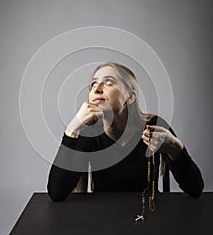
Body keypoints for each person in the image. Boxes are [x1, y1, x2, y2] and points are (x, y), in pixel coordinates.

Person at [47, 62, 204, 201]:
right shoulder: (89, 133)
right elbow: (56, 193)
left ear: (130, 96)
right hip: (101, 221)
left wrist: (175, 147)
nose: (97, 89)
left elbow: (195, 189)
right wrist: (72, 129)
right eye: (93, 84)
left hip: (149, 218)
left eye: (108, 82)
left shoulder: (153, 126)